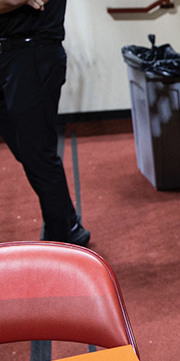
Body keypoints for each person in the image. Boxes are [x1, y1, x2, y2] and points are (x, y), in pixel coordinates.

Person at [0, 0, 89, 246]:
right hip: (8, 55)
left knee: (37, 152)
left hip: (32, 55)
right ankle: (68, 223)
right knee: (28, 152)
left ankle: (63, 240)